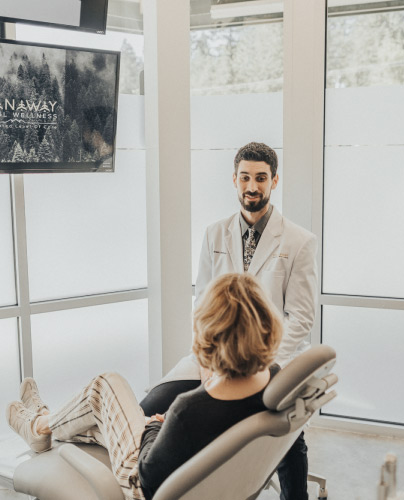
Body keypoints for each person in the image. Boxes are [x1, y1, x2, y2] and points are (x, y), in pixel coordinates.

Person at [140, 141, 318, 500]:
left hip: (268, 360)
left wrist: (258, 360)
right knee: (147, 408)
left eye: (261, 178)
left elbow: (301, 317)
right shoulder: (214, 234)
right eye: (245, 177)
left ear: (275, 181)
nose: (253, 186)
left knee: (284, 430)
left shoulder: (299, 241)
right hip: (212, 359)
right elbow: (203, 303)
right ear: (234, 180)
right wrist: (210, 364)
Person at [5, 273, 283, 500]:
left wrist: (155, 427)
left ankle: (38, 425)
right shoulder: (273, 381)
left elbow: (148, 476)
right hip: (196, 473)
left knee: (104, 385)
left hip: (141, 480)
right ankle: (41, 420)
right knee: (102, 417)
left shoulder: (190, 411)